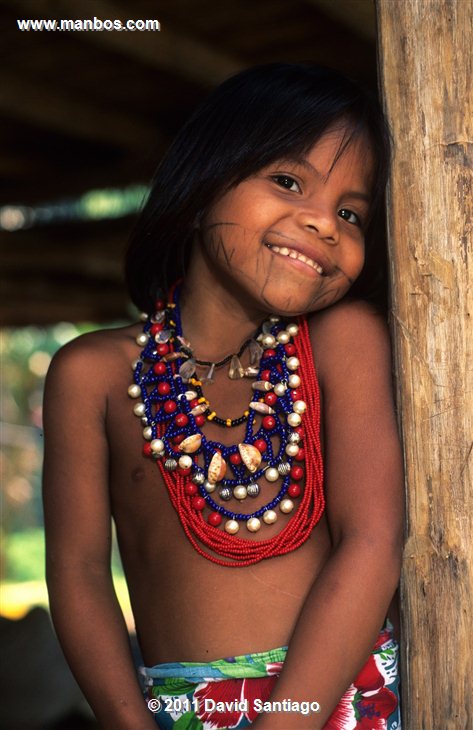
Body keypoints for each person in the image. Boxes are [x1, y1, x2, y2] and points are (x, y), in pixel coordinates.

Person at [43, 63, 404, 730]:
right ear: (203, 183)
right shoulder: (90, 374)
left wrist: (286, 719)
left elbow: (373, 540)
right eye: (289, 181)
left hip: (344, 701)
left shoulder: (340, 342)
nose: (324, 224)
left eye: (351, 213)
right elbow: (78, 574)